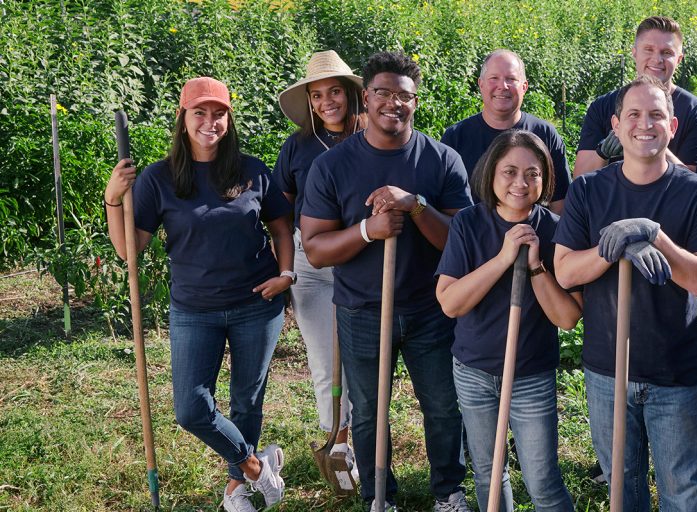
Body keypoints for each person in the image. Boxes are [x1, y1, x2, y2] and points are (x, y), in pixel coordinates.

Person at [104, 76, 291, 512]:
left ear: (229, 117)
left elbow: (281, 227)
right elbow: (129, 250)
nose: (211, 122)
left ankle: (235, 493)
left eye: (219, 112)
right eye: (200, 113)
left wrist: (286, 274)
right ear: (182, 118)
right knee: (190, 409)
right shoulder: (158, 178)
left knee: (248, 398)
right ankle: (255, 467)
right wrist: (114, 201)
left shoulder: (252, 170)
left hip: (256, 305)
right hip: (195, 309)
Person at [299, 51, 474, 512]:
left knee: (441, 407)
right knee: (370, 413)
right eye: (382, 92)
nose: (392, 103)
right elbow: (315, 248)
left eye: (404, 95)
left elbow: (461, 240)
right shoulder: (333, 166)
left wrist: (415, 205)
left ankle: (448, 492)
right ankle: (381, 497)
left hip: (431, 308)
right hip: (361, 310)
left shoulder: (441, 160)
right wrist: (366, 231)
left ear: (415, 102)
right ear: (366, 97)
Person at [553, 75, 697, 511]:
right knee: (620, 485)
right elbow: (565, 270)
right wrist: (613, 249)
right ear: (615, 125)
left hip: (675, 372)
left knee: (683, 489)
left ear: (672, 126)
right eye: (633, 114)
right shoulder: (589, 190)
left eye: (656, 115)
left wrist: (655, 236)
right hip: (606, 369)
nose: (643, 124)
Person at [436, 130, 579, 511]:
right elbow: (450, 303)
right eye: (510, 171)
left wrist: (534, 266)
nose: (520, 183)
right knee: (488, 473)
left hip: (530, 375)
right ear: (491, 173)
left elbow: (567, 318)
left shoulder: (556, 229)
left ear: (546, 179)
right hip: (474, 371)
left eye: (532, 174)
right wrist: (502, 258)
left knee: (543, 480)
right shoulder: (468, 223)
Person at [273, 49, 364, 475]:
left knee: (361, 357)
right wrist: (285, 268)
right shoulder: (297, 147)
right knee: (324, 358)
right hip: (311, 265)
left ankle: (362, 435)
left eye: (334, 92)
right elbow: (281, 214)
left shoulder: (371, 137)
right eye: (316, 95)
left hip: (362, 259)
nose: (326, 101)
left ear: (349, 93)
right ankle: (338, 442)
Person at [571, 15, 697, 179]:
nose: (657, 59)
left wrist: (651, 141)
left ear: (679, 59)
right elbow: (579, 179)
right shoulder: (602, 106)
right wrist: (602, 153)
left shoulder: (696, 112)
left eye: (667, 52)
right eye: (648, 49)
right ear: (634, 53)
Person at [441, 49, 571, 213]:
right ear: (481, 84)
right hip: (472, 237)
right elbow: (445, 207)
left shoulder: (544, 134)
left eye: (511, 79)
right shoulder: (456, 137)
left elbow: (560, 202)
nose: (502, 86)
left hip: (533, 235)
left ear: (524, 87)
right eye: (494, 78)